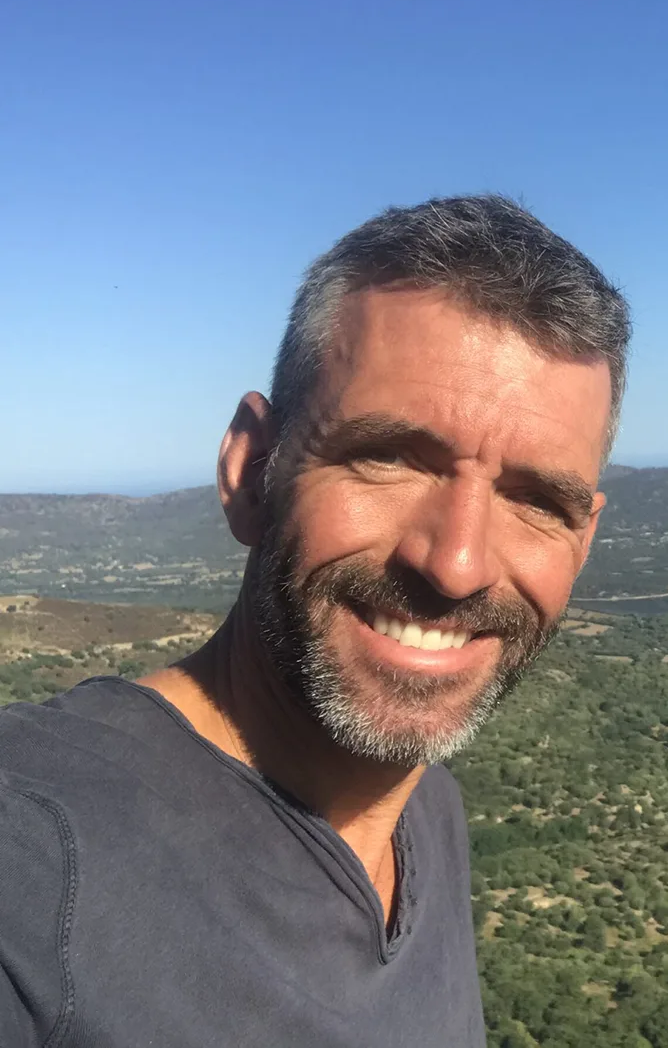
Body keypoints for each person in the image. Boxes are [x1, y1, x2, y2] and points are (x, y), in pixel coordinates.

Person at [0, 195, 630, 1046]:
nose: (457, 564)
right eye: (391, 456)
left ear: (583, 538)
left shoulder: (426, 808)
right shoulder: (34, 861)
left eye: (535, 500)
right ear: (252, 469)